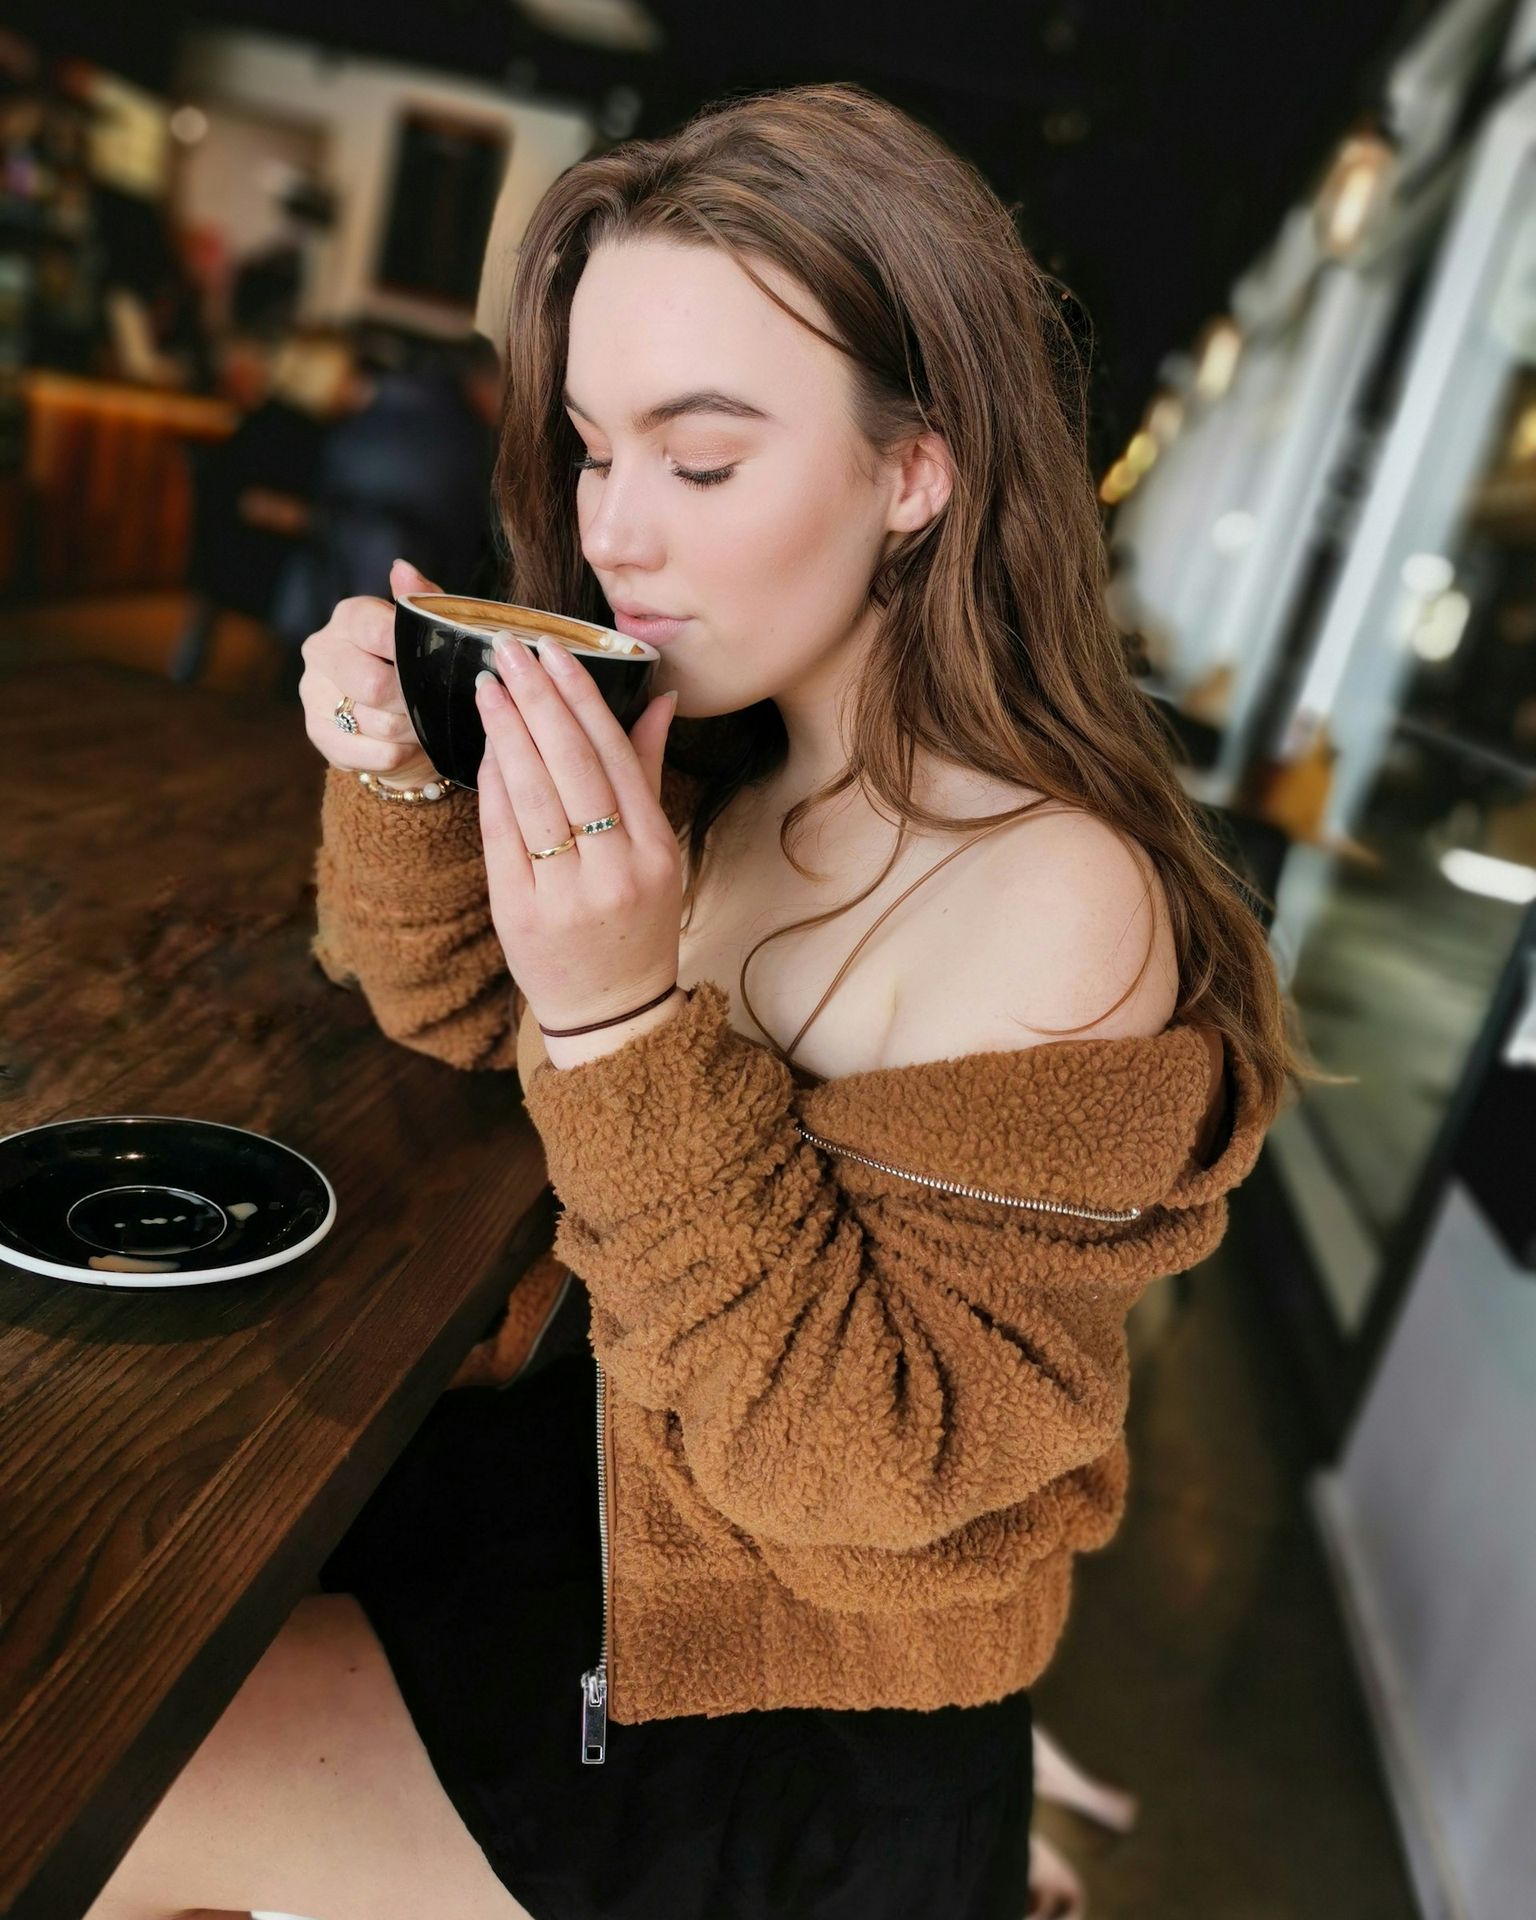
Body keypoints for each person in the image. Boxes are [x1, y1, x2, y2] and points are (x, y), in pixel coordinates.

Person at [86, 83, 1313, 1920]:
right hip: (571, 1500)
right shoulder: (723, 761)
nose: (613, 534)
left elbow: (869, 1461)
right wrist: (414, 773)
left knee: (92, 1774)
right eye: (590, 448)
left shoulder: (1056, 897)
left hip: (771, 1700)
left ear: (920, 470)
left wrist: (617, 1024)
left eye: (705, 459)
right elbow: (447, 1017)